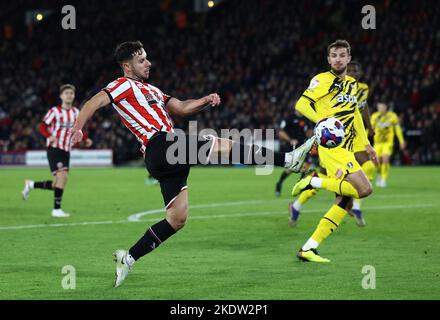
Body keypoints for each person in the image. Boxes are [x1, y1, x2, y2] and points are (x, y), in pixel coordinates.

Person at [69, 40, 316, 287]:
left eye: (147, 57)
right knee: (220, 144)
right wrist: (78, 129)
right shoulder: (121, 85)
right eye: (141, 59)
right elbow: (93, 102)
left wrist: (205, 100)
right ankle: (288, 159)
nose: (148, 63)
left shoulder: (154, 91)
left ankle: (129, 257)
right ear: (127, 65)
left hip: (167, 156)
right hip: (159, 145)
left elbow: (182, 108)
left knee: (177, 218)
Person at [291, 39, 378, 263]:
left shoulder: (352, 85)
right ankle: (314, 181)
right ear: (328, 59)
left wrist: (366, 143)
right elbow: (300, 105)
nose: (338, 59)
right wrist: (322, 120)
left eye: (342, 55)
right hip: (332, 146)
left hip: (348, 146)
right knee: (365, 189)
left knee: (345, 201)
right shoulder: (322, 80)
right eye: (334, 55)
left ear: (349, 59)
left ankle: (308, 248)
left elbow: (356, 114)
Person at [21, 84, 93, 217]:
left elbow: (79, 129)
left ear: (74, 96)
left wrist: (85, 139)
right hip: (54, 148)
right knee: (63, 176)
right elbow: (42, 126)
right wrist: (50, 136)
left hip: (66, 149)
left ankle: (31, 184)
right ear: (61, 96)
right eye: (66, 93)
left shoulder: (76, 112)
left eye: (71, 93)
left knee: (57, 183)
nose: (69, 95)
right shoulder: (54, 111)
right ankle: (56, 210)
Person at [345, 61, 375, 226]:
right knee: (324, 176)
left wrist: (370, 126)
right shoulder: (337, 85)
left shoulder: (363, 88)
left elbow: (363, 107)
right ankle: (297, 205)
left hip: (356, 134)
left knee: (368, 167)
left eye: (355, 70)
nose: (353, 72)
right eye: (350, 70)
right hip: (337, 135)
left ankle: (355, 205)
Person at [275, 109, 312, 197]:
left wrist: (310, 138)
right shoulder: (289, 118)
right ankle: (279, 183)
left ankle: (301, 187)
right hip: (292, 146)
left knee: (305, 166)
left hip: (304, 146)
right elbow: (281, 132)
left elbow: (309, 131)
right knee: (291, 169)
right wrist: (290, 140)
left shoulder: (306, 119)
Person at [371, 102, 406, 187]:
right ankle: (379, 175)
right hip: (377, 143)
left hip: (387, 143)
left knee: (385, 159)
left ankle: (383, 179)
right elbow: (370, 129)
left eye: (382, 107)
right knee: (377, 162)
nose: (380, 109)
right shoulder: (375, 116)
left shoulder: (392, 116)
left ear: (386, 107)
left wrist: (401, 141)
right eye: (379, 107)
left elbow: (397, 129)